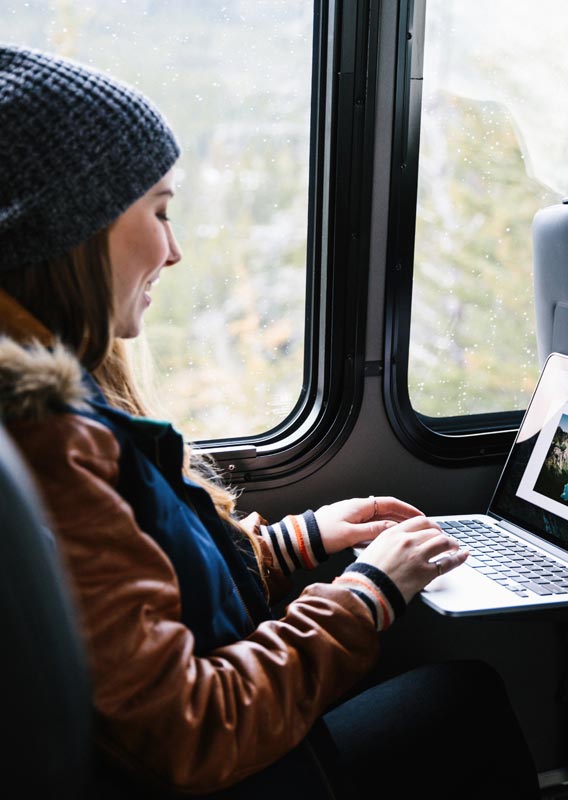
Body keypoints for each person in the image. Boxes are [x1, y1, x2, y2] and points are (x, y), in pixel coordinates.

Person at [0, 44, 540, 800]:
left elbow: (146, 590)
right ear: (75, 229)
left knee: (458, 702)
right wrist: (368, 594)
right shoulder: (47, 439)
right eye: (157, 211)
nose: (175, 249)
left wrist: (298, 541)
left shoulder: (64, 407)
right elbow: (188, 728)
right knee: (463, 706)